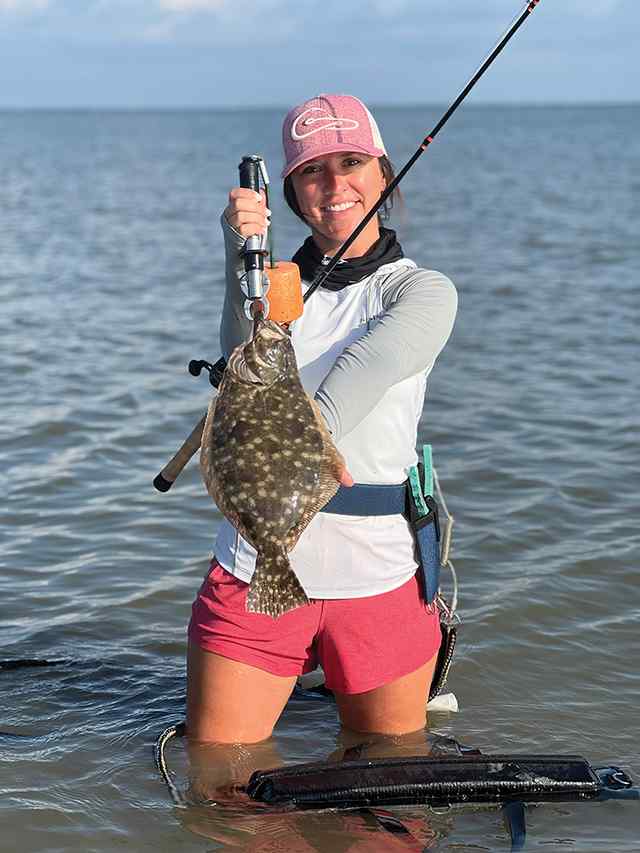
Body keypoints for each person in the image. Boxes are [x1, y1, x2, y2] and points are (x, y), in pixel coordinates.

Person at [187, 94, 457, 744]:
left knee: (387, 805)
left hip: (378, 570)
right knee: (222, 792)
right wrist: (239, 257)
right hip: (260, 562)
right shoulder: (276, 286)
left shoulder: (418, 290)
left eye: (352, 161)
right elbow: (235, 368)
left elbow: (364, 372)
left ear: (383, 172)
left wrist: (310, 435)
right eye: (313, 170)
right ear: (291, 189)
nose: (335, 184)